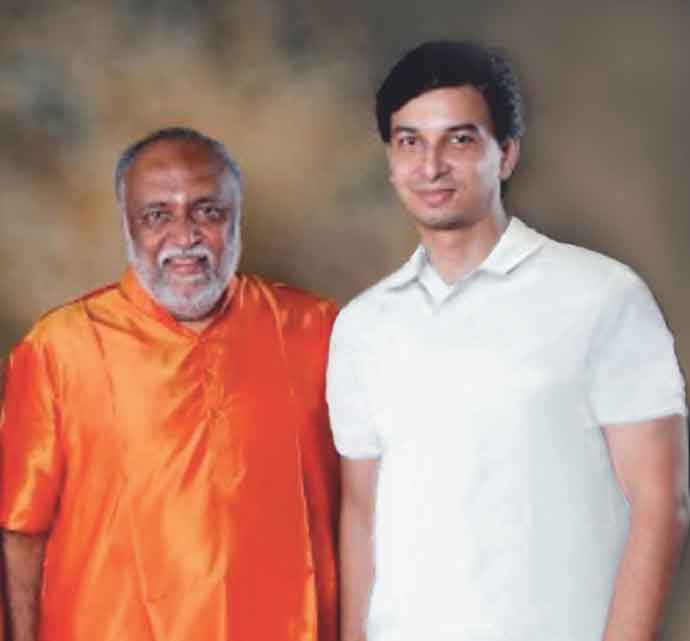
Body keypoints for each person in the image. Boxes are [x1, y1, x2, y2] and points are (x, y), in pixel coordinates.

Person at [327, 41, 689, 641]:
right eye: (409, 141)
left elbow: (661, 505)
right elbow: (362, 515)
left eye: (460, 140)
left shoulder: (602, 296)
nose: (431, 165)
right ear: (390, 160)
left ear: (507, 155)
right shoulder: (363, 326)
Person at [1, 127, 339, 641]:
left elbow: (367, 511)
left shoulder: (317, 331)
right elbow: (20, 535)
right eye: (158, 215)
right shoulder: (60, 349)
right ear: (126, 224)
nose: (186, 238)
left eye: (208, 212)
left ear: (237, 218)